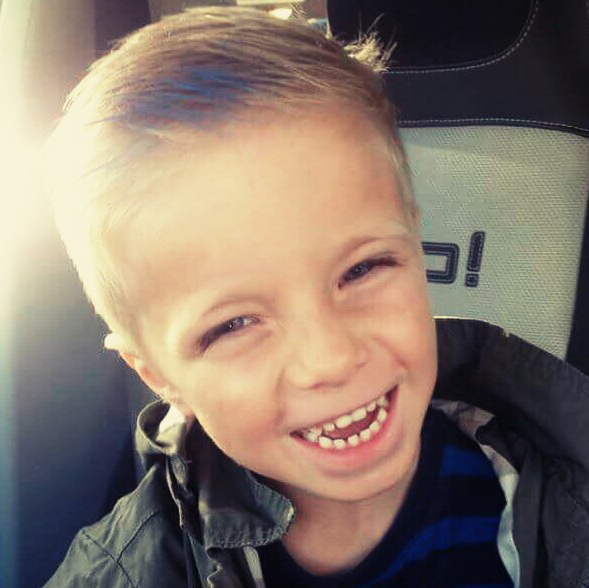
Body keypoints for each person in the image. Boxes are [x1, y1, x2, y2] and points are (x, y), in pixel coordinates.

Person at [43, 7, 589, 588]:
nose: (330, 359)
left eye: (362, 269)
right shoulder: (128, 572)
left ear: (415, 242)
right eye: (234, 324)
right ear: (157, 374)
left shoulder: (554, 480)